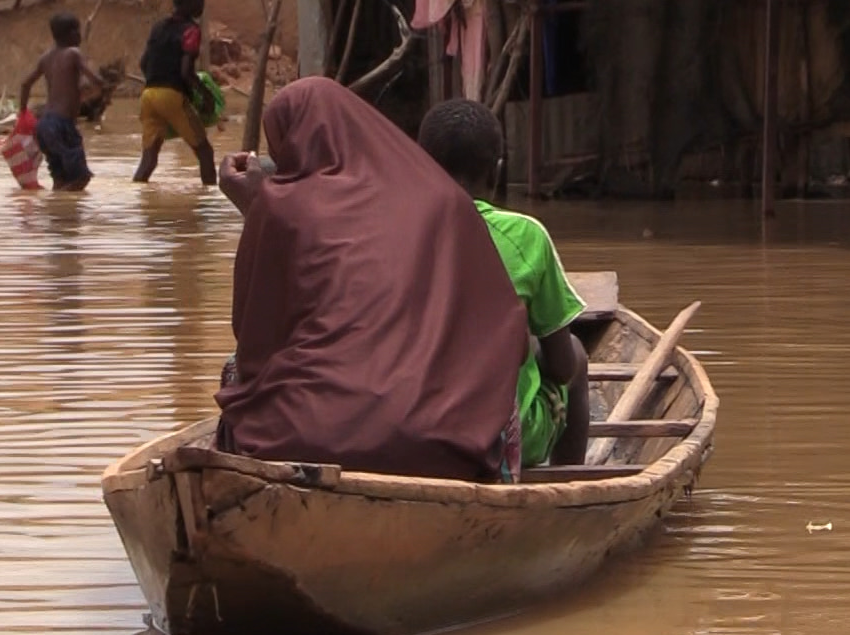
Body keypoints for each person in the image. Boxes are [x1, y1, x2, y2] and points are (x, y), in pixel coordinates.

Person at [212, 78, 530, 482]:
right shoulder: (444, 200)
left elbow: (253, 333)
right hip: (446, 447)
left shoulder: (281, 206)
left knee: (233, 371)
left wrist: (257, 210)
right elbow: (501, 332)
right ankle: (501, 487)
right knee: (498, 379)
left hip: (301, 439)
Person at [418, 99, 590, 469]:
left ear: (420, 167)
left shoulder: (393, 230)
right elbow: (561, 367)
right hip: (502, 437)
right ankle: (570, 487)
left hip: (411, 424)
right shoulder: (525, 236)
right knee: (575, 351)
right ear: (496, 171)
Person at [134, 0, 218, 185]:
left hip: (148, 95)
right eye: (200, 0)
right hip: (171, 95)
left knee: (148, 160)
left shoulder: (158, 27)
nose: (202, 5)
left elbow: (143, 62)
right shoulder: (191, 30)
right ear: (189, 2)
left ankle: (137, 197)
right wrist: (205, 95)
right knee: (205, 153)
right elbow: (185, 71)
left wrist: (158, 79)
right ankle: (209, 206)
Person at [17, 11, 104, 192]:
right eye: (76, 31)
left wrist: (22, 113)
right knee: (80, 179)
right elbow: (93, 79)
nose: (79, 35)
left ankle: (57, 213)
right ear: (68, 34)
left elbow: (25, 85)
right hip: (62, 126)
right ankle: (60, 204)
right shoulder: (73, 53)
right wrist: (102, 85)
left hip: (44, 126)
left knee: (60, 180)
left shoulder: (45, 58)